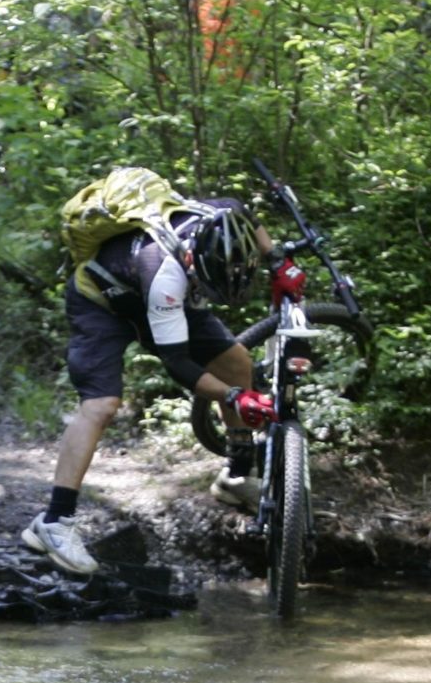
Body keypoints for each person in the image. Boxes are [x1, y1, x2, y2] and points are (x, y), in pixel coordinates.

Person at [21, 192, 277, 576]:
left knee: (237, 361)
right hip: (103, 303)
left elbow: (245, 210)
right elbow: (178, 364)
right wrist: (234, 398)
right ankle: (54, 522)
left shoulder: (222, 216)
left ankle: (237, 475)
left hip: (160, 295)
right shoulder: (164, 273)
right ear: (194, 262)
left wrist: (277, 261)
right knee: (101, 405)